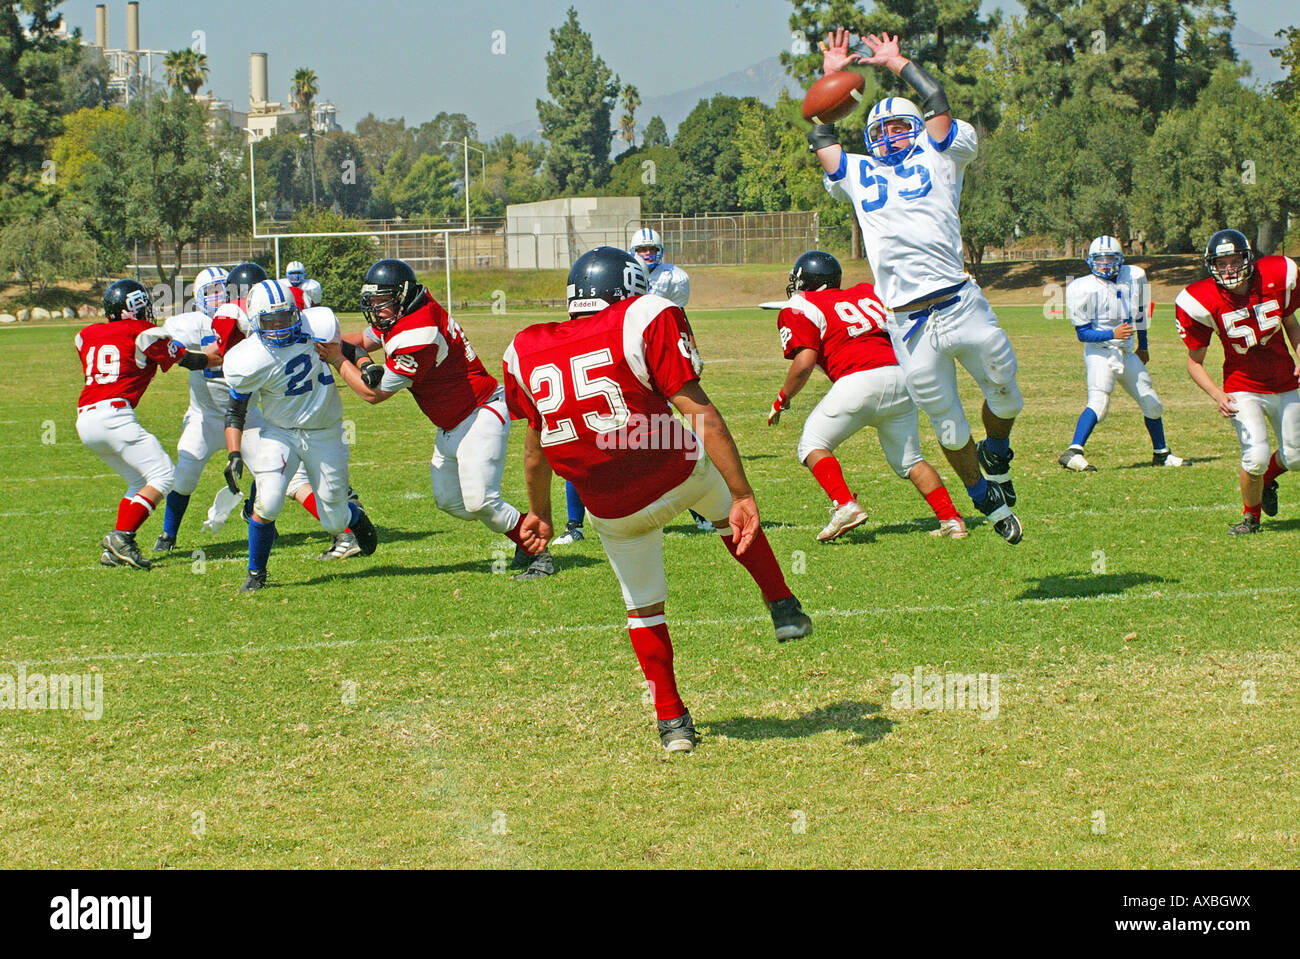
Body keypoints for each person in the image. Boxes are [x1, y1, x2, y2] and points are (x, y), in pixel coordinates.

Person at [502, 246, 813, 753]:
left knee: (642, 606)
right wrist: (742, 491)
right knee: (725, 507)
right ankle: (780, 601)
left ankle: (672, 724)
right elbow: (698, 410)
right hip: (677, 474)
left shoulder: (525, 346)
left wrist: (539, 512)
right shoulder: (645, 314)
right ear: (629, 287)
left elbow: (535, 448)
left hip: (610, 509)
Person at [807, 29, 1024, 544]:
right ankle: (981, 498)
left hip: (958, 299)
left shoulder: (942, 154)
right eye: (878, 132)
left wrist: (897, 62)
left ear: (918, 128)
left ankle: (997, 451)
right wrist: (830, 79)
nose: (888, 139)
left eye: (900, 128)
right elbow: (820, 132)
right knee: (947, 427)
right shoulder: (857, 173)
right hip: (907, 320)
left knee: (1008, 395)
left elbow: (938, 102)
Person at [319, 258, 555, 581]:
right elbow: (363, 339)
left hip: (479, 412)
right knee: (451, 502)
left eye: (382, 301)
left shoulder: (419, 332)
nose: (377, 309)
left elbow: (373, 395)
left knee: (480, 500)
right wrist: (325, 343)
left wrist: (335, 357)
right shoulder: (407, 308)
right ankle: (522, 528)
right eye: (373, 301)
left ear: (401, 296)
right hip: (451, 422)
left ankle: (539, 552)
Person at [768, 250, 967, 541]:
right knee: (911, 460)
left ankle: (844, 504)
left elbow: (805, 361)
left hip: (858, 381)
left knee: (812, 445)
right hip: (901, 378)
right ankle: (952, 521)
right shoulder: (867, 291)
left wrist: (782, 398)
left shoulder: (801, 305)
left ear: (807, 281)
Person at [222, 280, 377, 593]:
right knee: (269, 498)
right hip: (279, 431)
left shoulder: (315, 325)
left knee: (334, 521)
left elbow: (348, 347)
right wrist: (234, 453)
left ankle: (353, 515)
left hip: (325, 431)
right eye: (271, 321)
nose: (280, 327)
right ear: (255, 321)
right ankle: (256, 572)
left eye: (285, 317)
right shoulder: (247, 357)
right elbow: (235, 410)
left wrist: (366, 364)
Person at [555, 228, 700, 544]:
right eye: (643, 250)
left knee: (667, 439)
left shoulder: (671, 279)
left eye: (653, 249)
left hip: (645, 353)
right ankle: (574, 524)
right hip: (616, 361)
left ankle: (701, 513)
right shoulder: (612, 294)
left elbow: (675, 316)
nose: (649, 255)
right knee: (669, 440)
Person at [75, 278, 218, 569]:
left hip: (86, 418)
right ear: (134, 307)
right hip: (114, 416)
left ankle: (115, 550)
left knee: (140, 481)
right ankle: (122, 537)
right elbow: (189, 361)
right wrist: (219, 358)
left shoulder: (86, 334)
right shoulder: (145, 332)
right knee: (164, 474)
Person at [1175, 230, 1300, 534]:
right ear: (1212, 266)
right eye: (1222, 263)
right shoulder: (1201, 299)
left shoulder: (1275, 276)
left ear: (1247, 259)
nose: (1229, 269)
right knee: (1255, 457)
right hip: (1242, 386)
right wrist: (1217, 395)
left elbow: (1290, 323)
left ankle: (1268, 480)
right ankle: (1251, 518)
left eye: (1234, 261)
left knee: (1296, 457)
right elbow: (1194, 363)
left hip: (1285, 381)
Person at [1060, 236, 1183, 471]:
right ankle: (1073, 452)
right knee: (1099, 403)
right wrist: (1112, 332)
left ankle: (1161, 453)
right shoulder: (1082, 287)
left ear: (1120, 260)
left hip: (1126, 351)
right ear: (1090, 261)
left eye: (1110, 259)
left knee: (1152, 402)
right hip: (1100, 351)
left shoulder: (1134, 276)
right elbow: (1083, 334)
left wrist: (1143, 346)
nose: (1105, 265)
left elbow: (1139, 314)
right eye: (1100, 260)